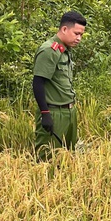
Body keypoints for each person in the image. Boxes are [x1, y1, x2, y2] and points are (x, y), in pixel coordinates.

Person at [32, 11, 87, 160]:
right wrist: (45, 113)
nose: (79, 38)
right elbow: (38, 82)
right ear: (64, 29)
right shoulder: (50, 50)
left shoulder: (65, 50)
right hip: (54, 112)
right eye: (76, 33)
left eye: (81, 35)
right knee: (48, 159)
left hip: (68, 111)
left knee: (68, 158)